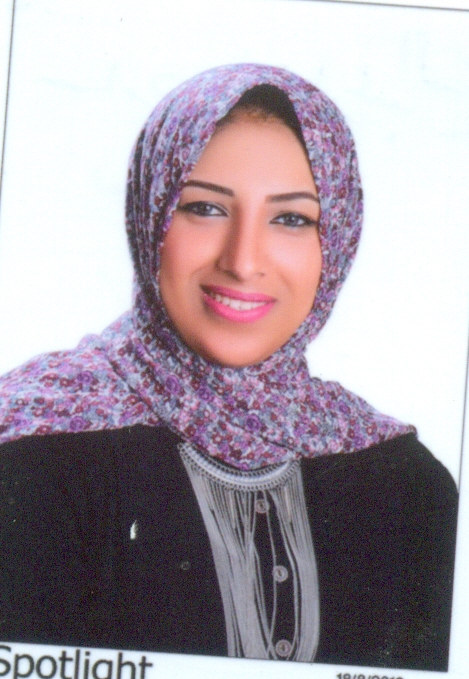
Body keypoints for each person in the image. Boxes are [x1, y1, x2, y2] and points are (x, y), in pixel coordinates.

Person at [0, 64, 457, 670]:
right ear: (150, 216)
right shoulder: (29, 453)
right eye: (205, 208)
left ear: (338, 239)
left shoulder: (408, 485)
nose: (243, 261)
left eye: (291, 218)